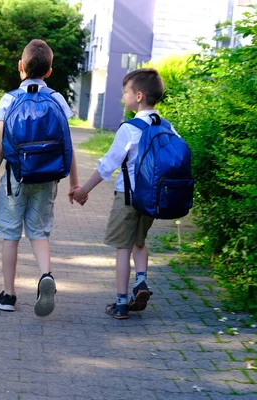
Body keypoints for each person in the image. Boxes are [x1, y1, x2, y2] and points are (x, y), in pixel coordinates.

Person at [0, 39, 82, 316]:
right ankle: (45, 275)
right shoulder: (58, 99)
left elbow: (0, 146)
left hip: (15, 179)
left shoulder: (10, 99)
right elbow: (67, 145)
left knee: (10, 235)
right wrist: (74, 184)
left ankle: (9, 295)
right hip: (48, 178)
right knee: (39, 232)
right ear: (49, 71)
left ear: (20, 67)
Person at [72, 68, 174, 319]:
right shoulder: (168, 127)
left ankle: (120, 303)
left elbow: (108, 164)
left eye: (125, 92)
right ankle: (140, 282)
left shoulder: (129, 129)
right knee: (140, 243)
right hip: (152, 199)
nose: (123, 97)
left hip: (127, 198)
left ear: (138, 96)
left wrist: (83, 190)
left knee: (122, 248)